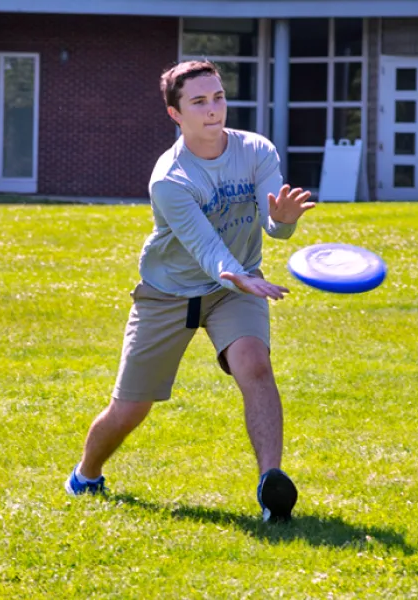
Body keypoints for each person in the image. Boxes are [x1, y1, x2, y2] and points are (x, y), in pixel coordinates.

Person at [65, 60, 316, 523]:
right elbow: (204, 247)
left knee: (255, 365)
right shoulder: (170, 178)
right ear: (175, 114)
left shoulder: (257, 150)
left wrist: (282, 221)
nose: (213, 109)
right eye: (199, 102)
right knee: (129, 409)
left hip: (236, 286)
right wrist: (236, 273)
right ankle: (87, 473)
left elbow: (273, 225)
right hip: (169, 292)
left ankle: (271, 489)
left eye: (218, 97)